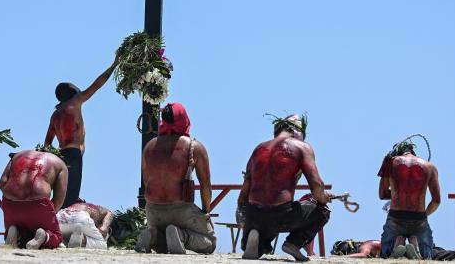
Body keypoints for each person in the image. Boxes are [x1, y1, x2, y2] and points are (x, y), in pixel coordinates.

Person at [236, 114, 330, 262]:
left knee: (264, 224)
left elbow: (246, 186)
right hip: (280, 215)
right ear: (297, 132)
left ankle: (253, 237)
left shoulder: (259, 148)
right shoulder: (302, 147)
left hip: (253, 213)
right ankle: (293, 243)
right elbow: (317, 187)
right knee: (322, 211)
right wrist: (324, 197)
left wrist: (244, 215)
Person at [135, 103, 216, 255]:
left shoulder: (149, 146)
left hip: (153, 210)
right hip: (180, 210)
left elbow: (147, 182)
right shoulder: (195, 147)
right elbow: (206, 185)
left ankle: (152, 235)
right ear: (184, 119)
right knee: (209, 243)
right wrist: (206, 213)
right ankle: (181, 235)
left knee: (163, 243)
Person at [43, 57, 118, 208]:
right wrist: (114, 65)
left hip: (60, 155)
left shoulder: (55, 115)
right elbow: (97, 85)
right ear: (72, 93)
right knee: (70, 198)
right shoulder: (74, 103)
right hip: (73, 154)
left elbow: (47, 144)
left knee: (61, 194)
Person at [378, 139, 441, 259]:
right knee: (427, 256)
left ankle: (398, 244)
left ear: (398, 152)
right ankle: (415, 245)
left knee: (385, 254)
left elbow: (382, 194)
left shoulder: (390, 163)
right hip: (418, 217)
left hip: (396, 216)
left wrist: (398, 193)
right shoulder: (430, 167)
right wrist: (425, 214)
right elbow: (436, 201)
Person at [0, 149, 68, 249]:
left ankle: (15, 231)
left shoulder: (17, 156)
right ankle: (45, 236)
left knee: (23, 231)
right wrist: (47, 215)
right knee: (56, 237)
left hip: (10, 203)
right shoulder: (60, 163)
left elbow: (2, 183)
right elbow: (59, 200)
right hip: (38, 203)